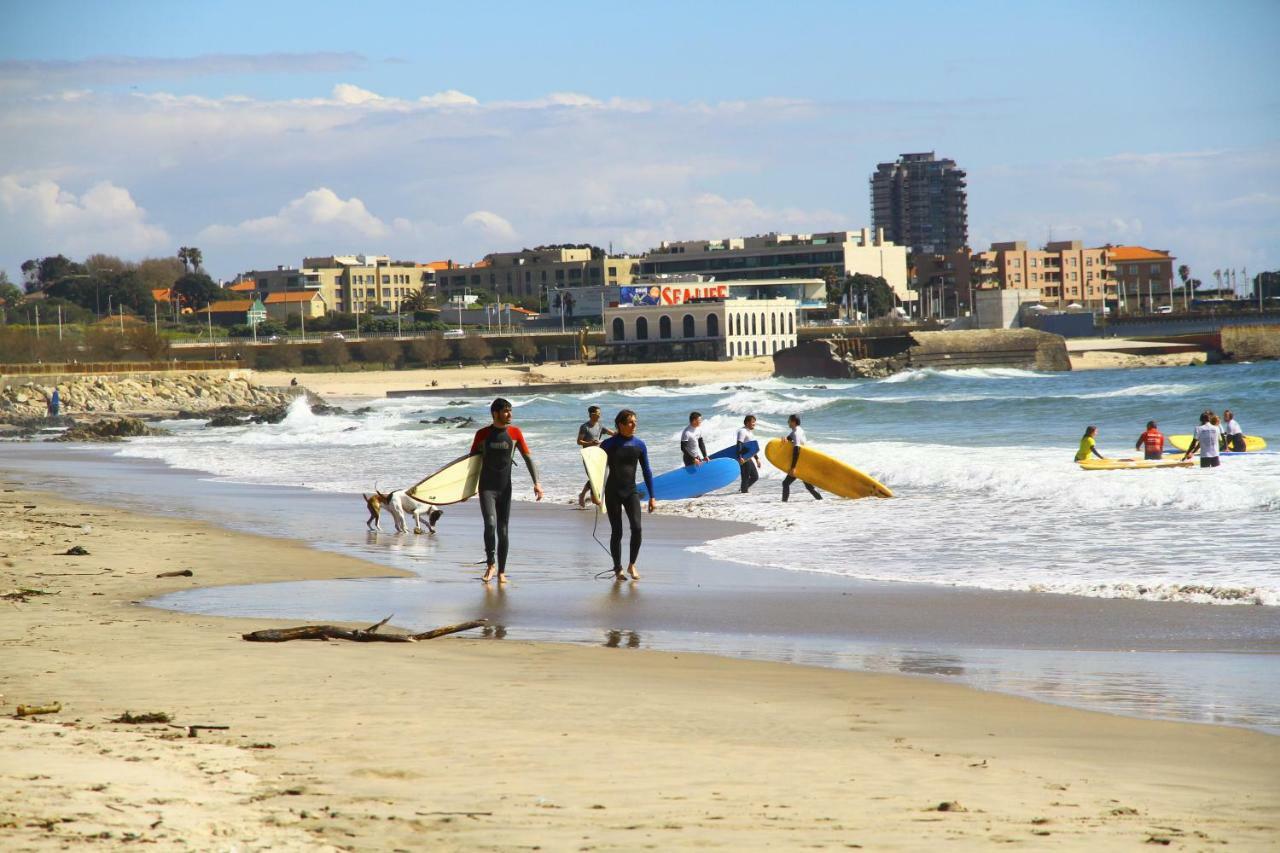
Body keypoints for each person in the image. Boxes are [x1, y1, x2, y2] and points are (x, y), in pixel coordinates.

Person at [469, 398, 544, 583]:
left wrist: (537, 483)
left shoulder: (515, 433)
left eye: (510, 411)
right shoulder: (482, 434)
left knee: (503, 530)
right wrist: (466, 491)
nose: (510, 414)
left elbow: (528, 458)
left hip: (505, 488)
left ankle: (501, 572)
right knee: (490, 524)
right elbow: (471, 464)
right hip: (486, 487)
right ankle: (490, 565)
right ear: (495, 413)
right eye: (506, 411)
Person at [599, 409, 656, 581]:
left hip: (631, 491)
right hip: (612, 492)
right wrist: (595, 492)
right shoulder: (608, 445)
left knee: (637, 528)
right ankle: (618, 568)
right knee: (617, 531)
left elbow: (647, 471)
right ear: (620, 424)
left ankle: (632, 564)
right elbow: (598, 470)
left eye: (635, 422)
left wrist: (652, 496)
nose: (634, 425)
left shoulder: (639, 445)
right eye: (630, 422)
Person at [576, 405, 614, 508]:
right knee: (592, 477)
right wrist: (590, 443)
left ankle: (585, 495)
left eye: (600, 413)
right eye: (598, 413)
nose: (599, 415)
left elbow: (613, 434)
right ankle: (593, 498)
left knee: (599, 477)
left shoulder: (600, 426)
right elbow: (579, 441)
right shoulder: (585, 427)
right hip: (588, 455)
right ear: (592, 414)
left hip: (598, 455)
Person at [782, 414, 822, 501]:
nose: (787, 422)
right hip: (804, 461)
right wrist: (785, 439)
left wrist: (793, 467)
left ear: (793, 422)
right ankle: (821, 501)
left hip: (800, 463)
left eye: (789, 420)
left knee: (785, 483)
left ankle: (783, 503)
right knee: (808, 486)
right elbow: (789, 438)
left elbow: (797, 449)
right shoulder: (797, 430)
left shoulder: (796, 433)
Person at [736, 414, 761, 493]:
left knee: (755, 477)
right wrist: (740, 457)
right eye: (752, 422)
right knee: (745, 477)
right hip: (743, 457)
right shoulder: (742, 431)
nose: (754, 424)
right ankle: (744, 492)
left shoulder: (749, 432)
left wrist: (757, 459)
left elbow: (751, 448)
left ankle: (742, 490)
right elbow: (739, 444)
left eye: (754, 422)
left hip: (748, 457)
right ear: (747, 423)